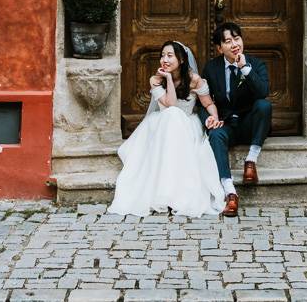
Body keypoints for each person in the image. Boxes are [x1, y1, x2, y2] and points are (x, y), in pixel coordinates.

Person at [108, 40, 225, 217]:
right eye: (163, 55)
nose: (165, 59)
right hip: (162, 125)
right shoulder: (155, 80)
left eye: (170, 56)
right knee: (171, 115)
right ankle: (161, 192)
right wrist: (168, 78)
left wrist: (214, 118)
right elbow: (170, 105)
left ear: (182, 60)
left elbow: (208, 103)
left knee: (175, 117)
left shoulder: (194, 80)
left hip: (187, 124)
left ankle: (176, 191)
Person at [200, 22, 272, 218]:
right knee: (214, 135)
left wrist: (245, 69)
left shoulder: (256, 64)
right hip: (226, 125)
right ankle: (230, 191)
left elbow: (263, 92)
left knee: (264, 106)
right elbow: (203, 102)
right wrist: (209, 119)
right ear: (219, 48)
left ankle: (251, 160)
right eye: (228, 41)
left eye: (237, 39)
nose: (234, 45)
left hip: (249, 124)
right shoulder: (211, 69)